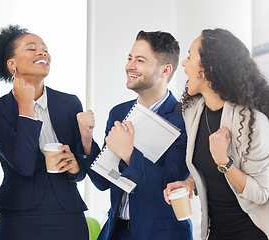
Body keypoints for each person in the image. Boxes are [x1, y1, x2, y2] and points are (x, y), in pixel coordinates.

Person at [77, 30, 192, 239]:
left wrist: (129, 153)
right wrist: (86, 139)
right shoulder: (119, 113)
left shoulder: (184, 118)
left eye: (140, 60)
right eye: (130, 58)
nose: (130, 66)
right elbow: (103, 181)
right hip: (117, 231)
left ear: (165, 70)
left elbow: (170, 186)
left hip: (160, 234)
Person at [164, 28, 269, 240]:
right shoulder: (193, 110)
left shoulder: (252, 122)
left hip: (252, 233)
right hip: (215, 232)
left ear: (207, 69)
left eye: (189, 56)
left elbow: (262, 193)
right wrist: (190, 183)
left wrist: (224, 162)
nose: (183, 64)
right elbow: (207, 170)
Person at [0, 25, 89, 240]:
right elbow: (23, 165)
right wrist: (26, 108)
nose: (42, 53)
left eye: (44, 49)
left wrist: (76, 165)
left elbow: (82, 165)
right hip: (20, 216)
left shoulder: (70, 103)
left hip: (68, 213)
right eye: (32, 49)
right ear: (11, 64)